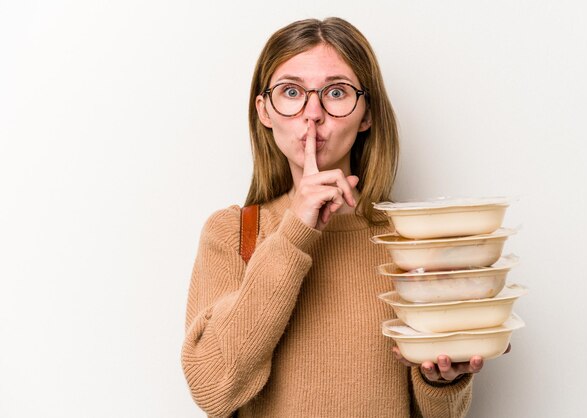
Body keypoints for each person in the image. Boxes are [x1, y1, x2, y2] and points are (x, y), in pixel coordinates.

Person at [181, 17, 484, 418]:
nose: (313, 114)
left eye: (336, 92)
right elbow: (213, 387)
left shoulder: (410, 241)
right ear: (265, 111)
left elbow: (437, 413)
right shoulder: (233, 233)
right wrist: (295, 233)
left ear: (367, 114)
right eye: (291, 92)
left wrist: (441, 381)